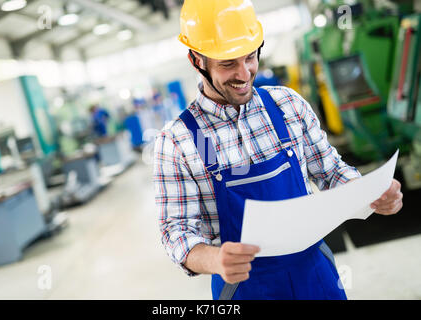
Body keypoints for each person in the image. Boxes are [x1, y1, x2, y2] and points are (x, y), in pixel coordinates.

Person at [153, 0, 403, 300]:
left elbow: (330, 171)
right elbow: (176, 231)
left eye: (250, 57)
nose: (244, 74)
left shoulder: (287, 106)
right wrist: (215, 259)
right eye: (228, 63)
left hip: (315, 275)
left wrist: (370, 192)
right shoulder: (180, 140)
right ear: (197, 60)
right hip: (244, 288)